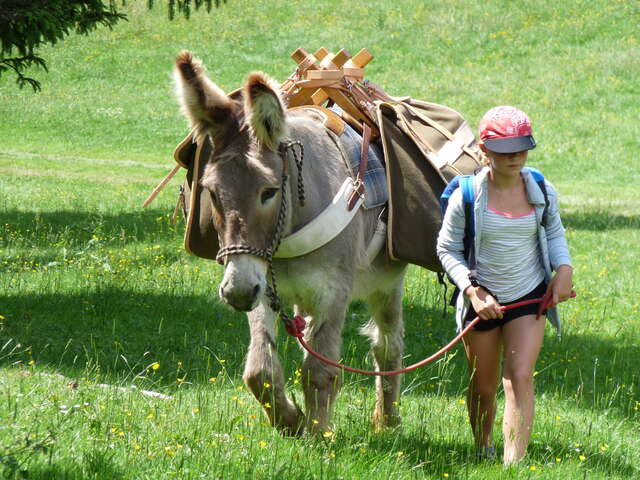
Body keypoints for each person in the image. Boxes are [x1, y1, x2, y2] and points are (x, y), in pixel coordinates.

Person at [437, 106, 573, 464]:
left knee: (519, 376)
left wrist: (564, 269)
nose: (514, 156)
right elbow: (446, 249)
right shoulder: (465, 196)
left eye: (521, 148)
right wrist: (472, 291)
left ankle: (514, 465)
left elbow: (554, 233)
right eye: (505, 149)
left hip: (529, 297)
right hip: (481, 297)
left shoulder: (541, 188)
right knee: (483, 387)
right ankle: (483, 448)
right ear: (484, 151)